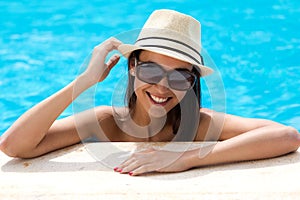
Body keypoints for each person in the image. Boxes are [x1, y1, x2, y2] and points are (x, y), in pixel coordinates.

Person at [0, 9, 299, 176]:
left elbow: (286, 136)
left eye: (180, 76)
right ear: (133, 67)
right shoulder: (106, 122)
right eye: (151, 71)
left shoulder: (199, 125)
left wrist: (187, 158)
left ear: (192, 82)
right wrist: (84, 82)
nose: (162, 86)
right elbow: (14, 146)